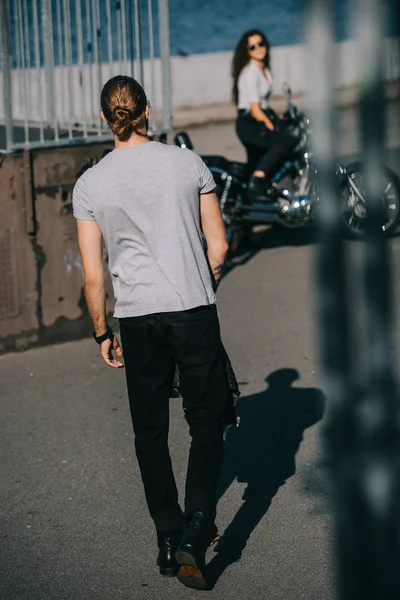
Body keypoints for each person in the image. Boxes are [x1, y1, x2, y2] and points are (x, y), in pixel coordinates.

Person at [73, 75, 231, 591]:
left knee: (150, 431)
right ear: (146, 111)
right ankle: (197, 528)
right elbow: (220, 247)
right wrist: (205, 279)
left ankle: (167, 536)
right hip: (192, 309)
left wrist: (102, 332)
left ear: (105, 119)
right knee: (206, 422)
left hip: (138, 318)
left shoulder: (91, 184)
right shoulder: (187, 162)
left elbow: (94, 276)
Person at [232, 29, 297, 200]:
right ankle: (258, 180)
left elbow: (263, 104)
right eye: (252, 47)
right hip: (250, 123)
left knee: (256, 162)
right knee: (283, 142)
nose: (258, 49)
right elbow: (255, 108)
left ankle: (251, 201)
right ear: (247, 52)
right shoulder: (250, 72)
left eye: (261, 44)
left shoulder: (264, 69)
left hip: (256, 120)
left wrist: (278, 117)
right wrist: (271, 127)